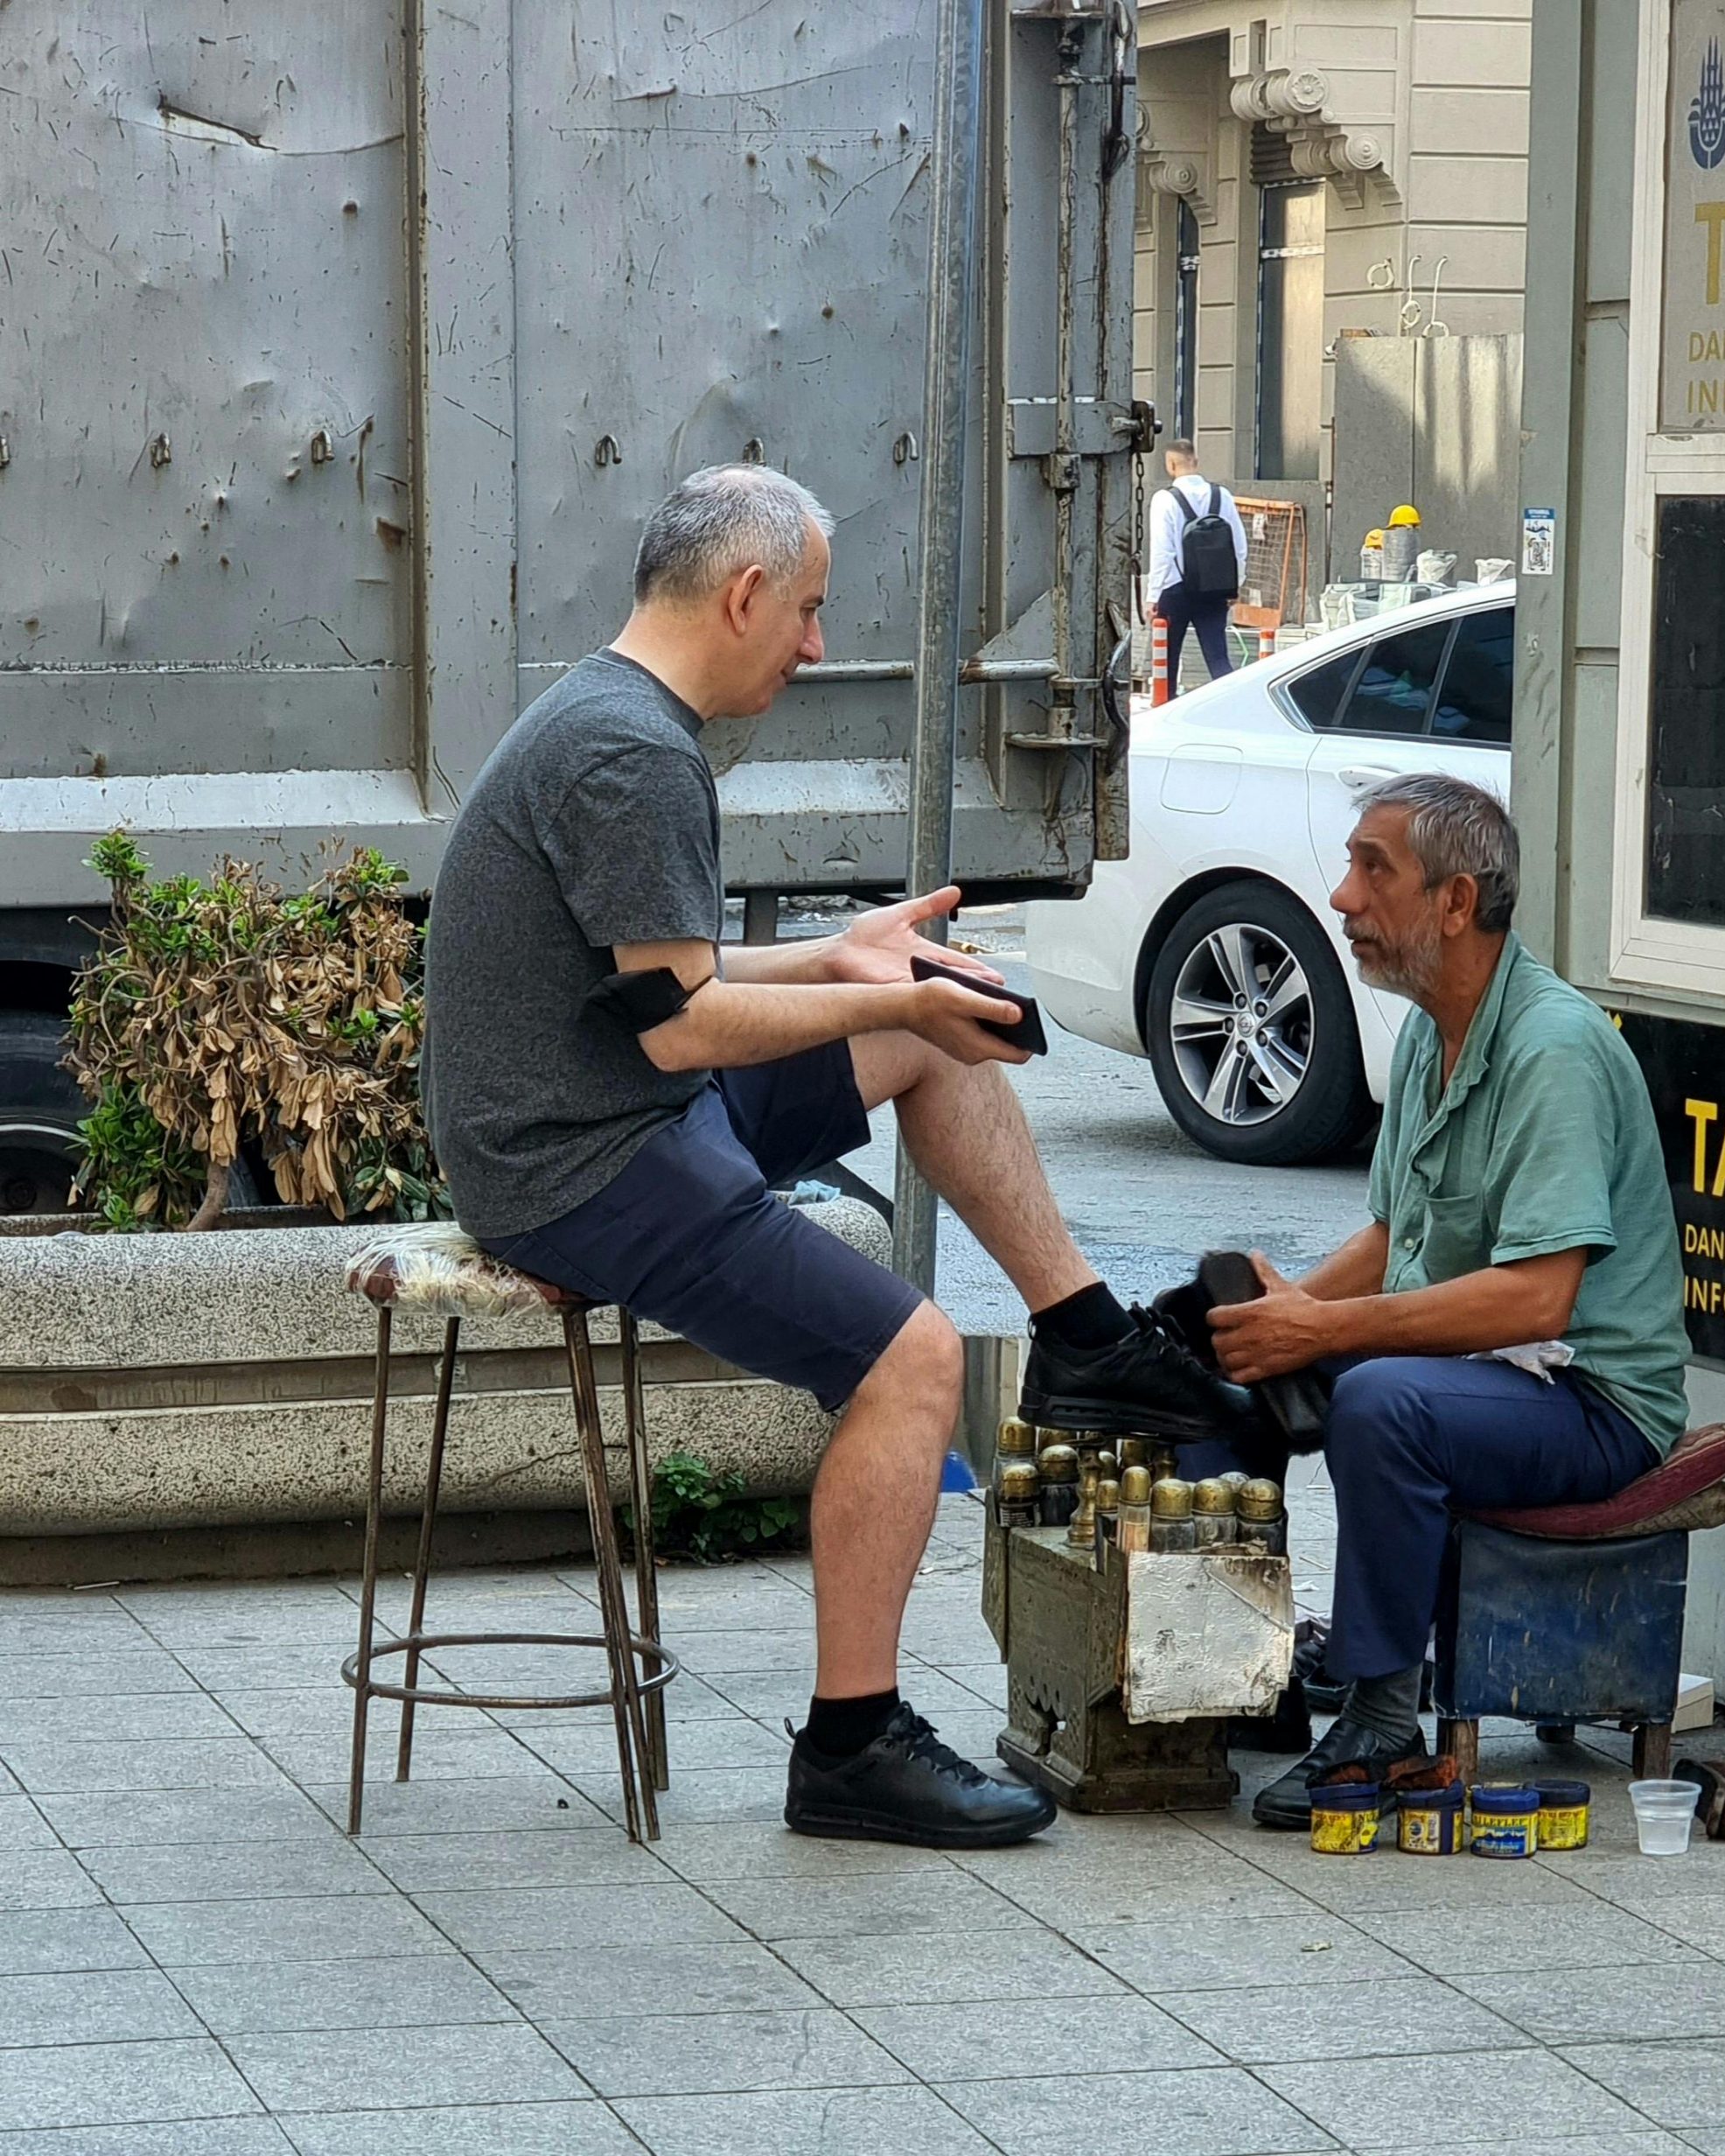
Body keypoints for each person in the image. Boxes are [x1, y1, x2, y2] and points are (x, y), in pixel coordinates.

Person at [423, 465, 1240, 1850]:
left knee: (933, 1030)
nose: (812, 645)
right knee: (911, 1359)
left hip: (610, 1102)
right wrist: (893, 995)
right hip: (578, 1162)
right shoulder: (634, 754)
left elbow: (655, 976)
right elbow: (681, 1031)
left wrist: (852, 961)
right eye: (804, 611)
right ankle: (852, 1745)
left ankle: (1086, 1333)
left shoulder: (614, 715)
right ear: (742, 595)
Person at [1184, 774, 1689, 1829]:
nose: (1341, 897)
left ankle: (1378, 1714)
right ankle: (1239, 1665)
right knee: (1222, 1367)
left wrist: (1323, 1330)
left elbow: (1539, 1301)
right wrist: (1279, 1318)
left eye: (1375, 871)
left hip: (1591, 1404)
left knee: (1378, 1403)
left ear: (1455, 903)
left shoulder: (1550, 1050)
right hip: (1488, 1374)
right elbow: (1390, 1237)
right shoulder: (1426, 1029)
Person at [1146, 441, 1247, 698]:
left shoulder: (1164, 499)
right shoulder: (1221, 495)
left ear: (1170, 465)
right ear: (1196, 461)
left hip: (1175, 590)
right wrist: (1236, 585)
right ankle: (1232, 707)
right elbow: (1239, 544)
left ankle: (1165, 712)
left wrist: (1153, 596)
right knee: (1218, 657)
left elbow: (1162, 551)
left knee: (1166, 660)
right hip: (1215, 588)